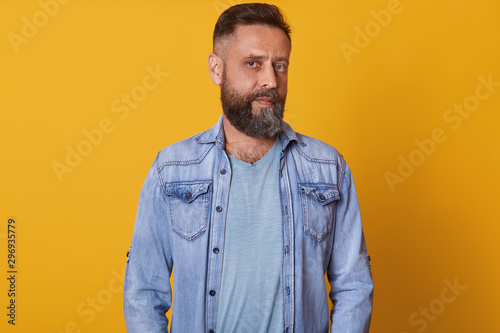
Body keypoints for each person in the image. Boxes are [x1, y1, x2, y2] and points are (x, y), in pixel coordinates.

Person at [123, 3, 373, 332]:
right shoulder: (172, 169)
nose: (270, 79)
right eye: (253, 63)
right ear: (217, 69)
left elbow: (354, 287)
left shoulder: (328, 169)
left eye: (280, 65)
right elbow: (143, 292)